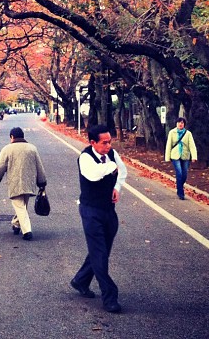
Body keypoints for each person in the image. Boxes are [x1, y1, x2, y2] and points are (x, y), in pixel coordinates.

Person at [71, 125, 127, 313]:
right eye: (104, 143)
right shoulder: (85, 158)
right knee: (100, 254)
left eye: (110, 141)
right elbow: (94, 175)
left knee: (101, 252)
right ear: (92, 142)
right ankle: (110, 296)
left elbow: (124, 171)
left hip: (108, 210)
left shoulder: (112, 153)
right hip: (90, 210)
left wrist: (117, 188)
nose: (109, 146)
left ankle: (80, 280)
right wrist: (112, 166)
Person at [0, 126, 47, 241]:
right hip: (29, 182)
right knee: (22, 206)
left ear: (12, 137)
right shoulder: (32, 148)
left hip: (15, 183)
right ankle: (16, 224)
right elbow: (39, 166)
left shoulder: (7, 149)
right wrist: (42, 182)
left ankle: (27, 231)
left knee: (20, 206)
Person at [164, 117, 198, 200]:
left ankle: (179, 185)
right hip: (175, 155)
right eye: (179, 122)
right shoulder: (172, 132)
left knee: (184, 174)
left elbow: (192, 145)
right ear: (176, 123)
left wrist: (194, 156)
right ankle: (180, 192)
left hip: (185, 155)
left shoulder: (188, 133)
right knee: (179, 172)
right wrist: (167, 157)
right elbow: (168, 145)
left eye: (182, 123)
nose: (180, 124)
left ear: (184, 124)